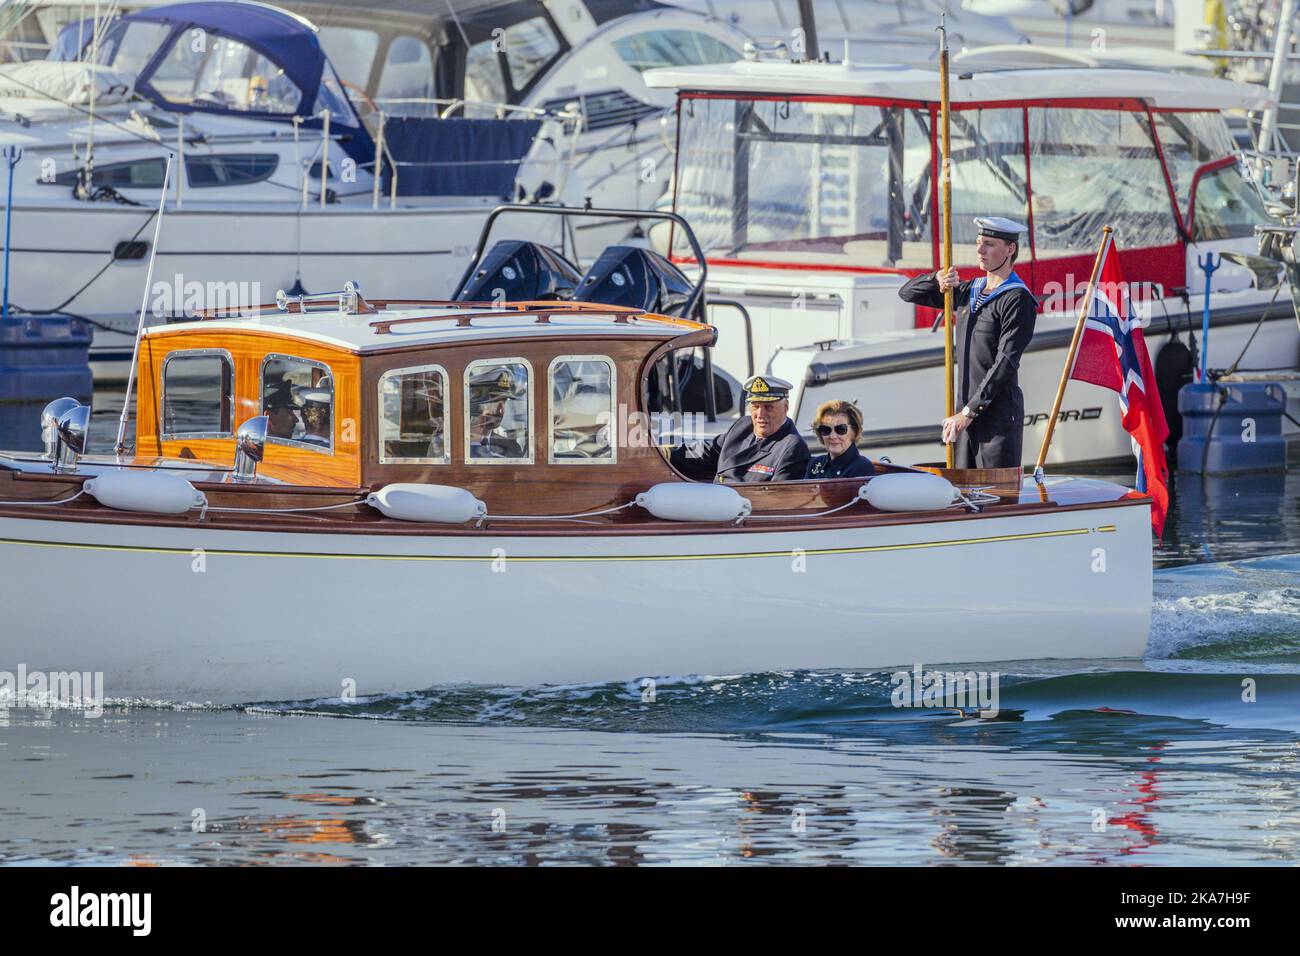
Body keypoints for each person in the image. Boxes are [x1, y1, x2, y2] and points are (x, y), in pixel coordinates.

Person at [897, 216, 1038, 469]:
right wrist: (936, 279)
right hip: (963, 413)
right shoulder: (968, 291)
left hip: (996, 418)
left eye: (989, 244)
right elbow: (907, 293)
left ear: (1010, 249)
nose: (980, 250)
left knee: (996, 498)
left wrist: (968, 412)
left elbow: (1005, 362)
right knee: (962, 494)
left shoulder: (1017, 298)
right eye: (978, 243)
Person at [671, 375, 809, 482]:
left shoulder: (792, 448)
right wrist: (666, 454)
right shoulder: (743, 425)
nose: (760, 415)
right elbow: (708, 451)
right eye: (755, 406)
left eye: (768, 407)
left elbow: (776, 499)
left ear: (785, 408)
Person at [806, 400, 875, 479]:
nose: (832, 436)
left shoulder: (862, 467)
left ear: (854, 431)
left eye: (840, 429)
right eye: (826, 429)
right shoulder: (815, 464)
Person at [468, 367, 526, 459]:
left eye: (504, 401)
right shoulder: (450, 444)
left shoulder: (511, 447)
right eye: (495, 402)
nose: (501, 410)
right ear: (475, 402)